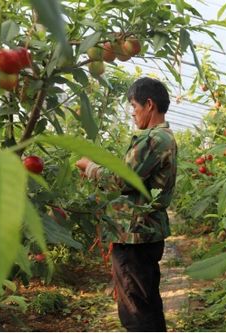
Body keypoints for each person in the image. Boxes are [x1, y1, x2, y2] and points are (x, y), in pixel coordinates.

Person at [75, 77, 177, 331]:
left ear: (149, 104)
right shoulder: (159, 138)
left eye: (134, 105)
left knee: (135, 309)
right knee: (146, 302)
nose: (132, 112)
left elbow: (121, 179)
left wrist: (90, 167)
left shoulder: (154, 139)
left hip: (136, 235)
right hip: (142, 232)